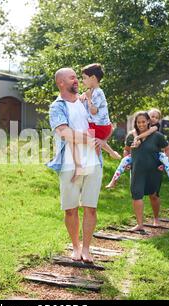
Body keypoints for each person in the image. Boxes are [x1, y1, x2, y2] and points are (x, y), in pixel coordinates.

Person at [47, 67, 104, 264]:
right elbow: (64, 132)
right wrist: (90, 139)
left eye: (76, 77)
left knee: (91, 208)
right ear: (61, 83)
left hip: (93, 163)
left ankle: (87, 248)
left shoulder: (84, 102)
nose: (76, 80)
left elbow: (103, 120)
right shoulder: (57, 106)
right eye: (72, 77)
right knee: (70, 209)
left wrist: (101, 138)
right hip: (69, 164)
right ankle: (75, 246)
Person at [105, 108, 169, 192]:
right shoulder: (140, 126)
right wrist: (135, 139)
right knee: (124, 160)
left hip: (155, 155)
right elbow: (133, 132)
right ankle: (113, 181)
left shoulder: (155, 127)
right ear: (147, 117)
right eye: (152, 116)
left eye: (156, 117)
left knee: (166, 161)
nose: (154, 119)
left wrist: (137, 137)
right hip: (138, 157)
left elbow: (148, 133)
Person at [71, 63, 121, 183]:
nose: (83, 81)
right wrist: (83, 97)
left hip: (101, 126)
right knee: (92, 144)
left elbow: (93, 111)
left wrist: (87, 98)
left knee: (80, 139)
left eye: (84, 78)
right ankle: (111, 153)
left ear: (93, 78)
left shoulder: (98, 92)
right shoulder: (91, 91)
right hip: (97, 125)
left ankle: (81, 169)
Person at [122, 111, 169, 231]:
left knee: (153, 196)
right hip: (137, 172)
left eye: (143, 121)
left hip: (154, 171)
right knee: (136, 196)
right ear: (136, 123)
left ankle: (156, 218)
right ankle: (140, 224)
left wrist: (164, 163)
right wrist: (127, 162)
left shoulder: (157, 136)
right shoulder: (131, 136)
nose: (141, 124)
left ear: (148, 121)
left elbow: (167, 148)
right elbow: (126, 150)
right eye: (138, 122)